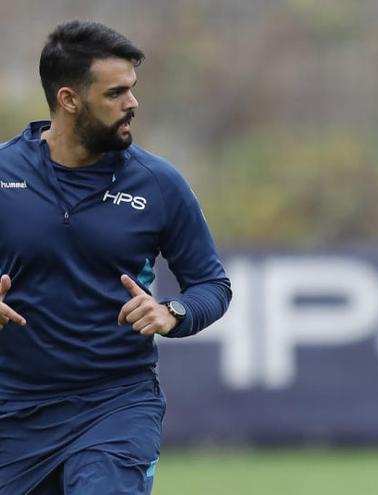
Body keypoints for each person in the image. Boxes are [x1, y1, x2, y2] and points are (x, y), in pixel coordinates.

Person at [0, 20, 231, 494]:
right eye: (116, 93)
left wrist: (171, 312)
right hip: (13, 413)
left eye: (133, 89)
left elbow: (212, 285)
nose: (133, 104)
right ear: (69, 100)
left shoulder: (159, 183)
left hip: (116, 406)